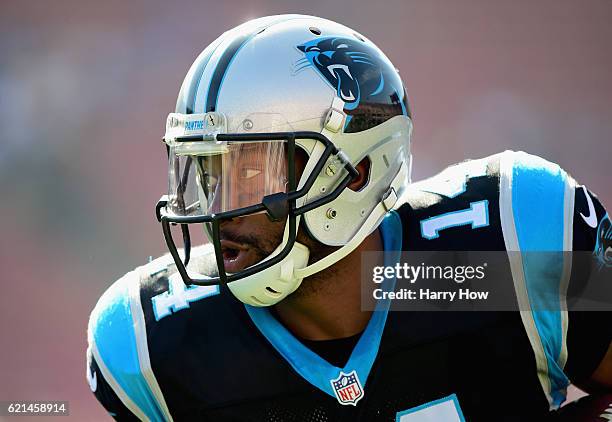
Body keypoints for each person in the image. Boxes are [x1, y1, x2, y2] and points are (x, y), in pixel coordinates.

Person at [86, 15, 612, 421]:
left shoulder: (513, 243)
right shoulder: (154, 345)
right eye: (207, 171)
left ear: (357, 171)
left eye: (252, 169)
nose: (220, 207)